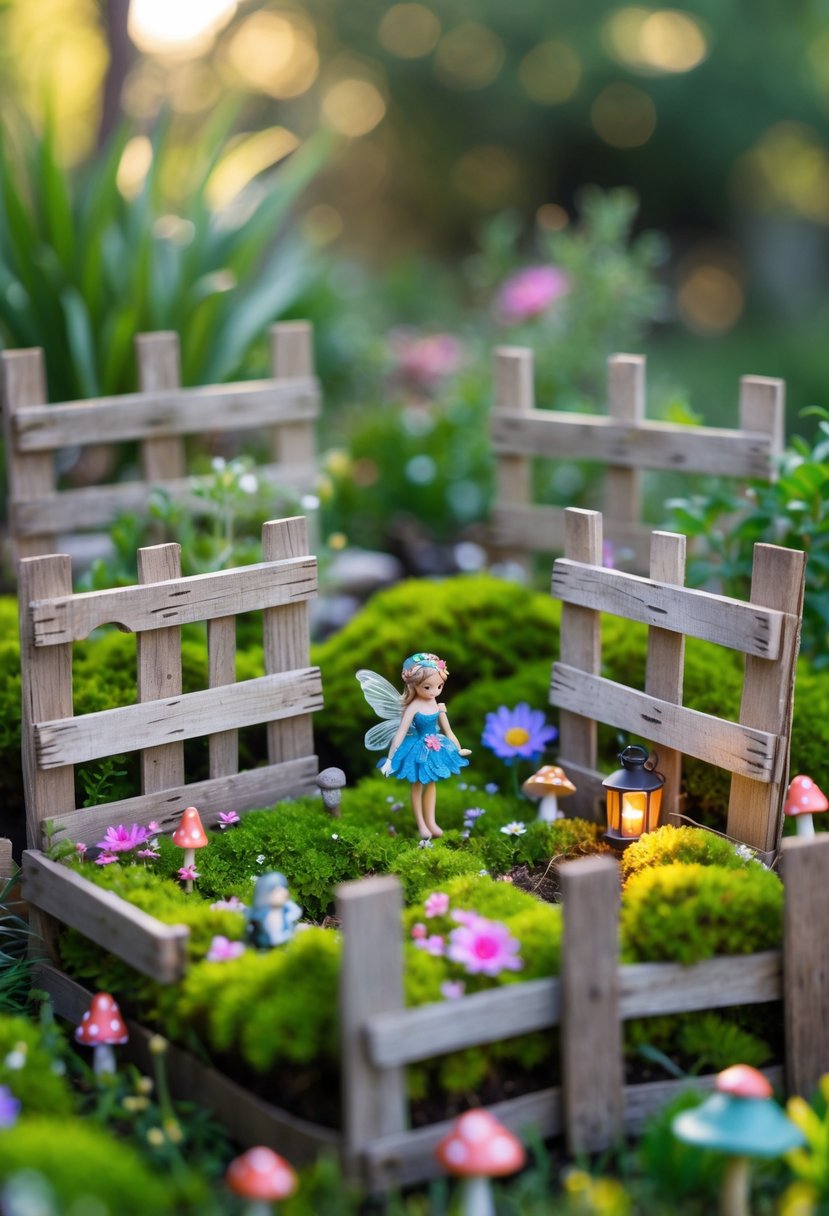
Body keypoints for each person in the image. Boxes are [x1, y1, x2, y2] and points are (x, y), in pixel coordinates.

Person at [366, 652, 470, 839]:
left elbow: (448, 730)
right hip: (416, 748)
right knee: (417, 784)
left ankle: (431, 822)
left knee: (431, 783)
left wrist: (458, 748)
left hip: (436, 747)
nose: (434, 691)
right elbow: (400, 733)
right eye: (428, 687)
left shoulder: (436, 703)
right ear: (413, 685)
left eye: (439, 686)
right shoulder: (413, 706)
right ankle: (422, 824)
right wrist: (390, 759)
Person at [245, 871, 302, 948]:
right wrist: (292, 934)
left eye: (284, 889)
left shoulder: (283, 912)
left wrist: (285, 901)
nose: (285, 893)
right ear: (266, 894)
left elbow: (296, 911)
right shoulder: (262, 916)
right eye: (278, 891)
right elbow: (273, 940)